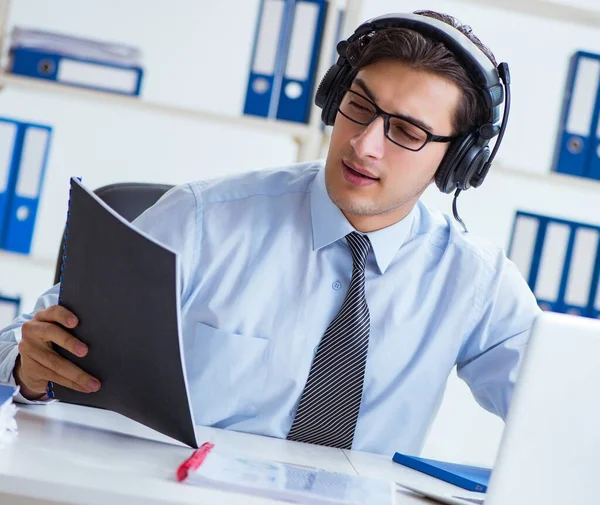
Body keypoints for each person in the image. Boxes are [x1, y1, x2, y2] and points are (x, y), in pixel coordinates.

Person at [0, 10, 540, 455]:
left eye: (406, 131)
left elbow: (560, 413)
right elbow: (23, 344)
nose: (364, 144)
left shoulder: (476, 282)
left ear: (458, 162)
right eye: (358, 106)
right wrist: (28, 367)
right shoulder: (203, 218)